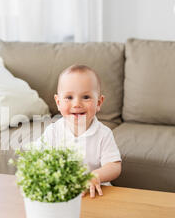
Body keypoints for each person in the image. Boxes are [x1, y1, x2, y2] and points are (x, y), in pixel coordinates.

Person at [39, 64, 122, 198]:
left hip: (95, 192)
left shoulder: (103, 133)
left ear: (99, 103)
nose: (77, 104)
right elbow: (40, 160)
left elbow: (114, 166)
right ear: (58, 102)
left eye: (86, 97)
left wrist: (95, 176)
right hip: (64, 192)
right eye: (69, 97)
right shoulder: (53, 131)